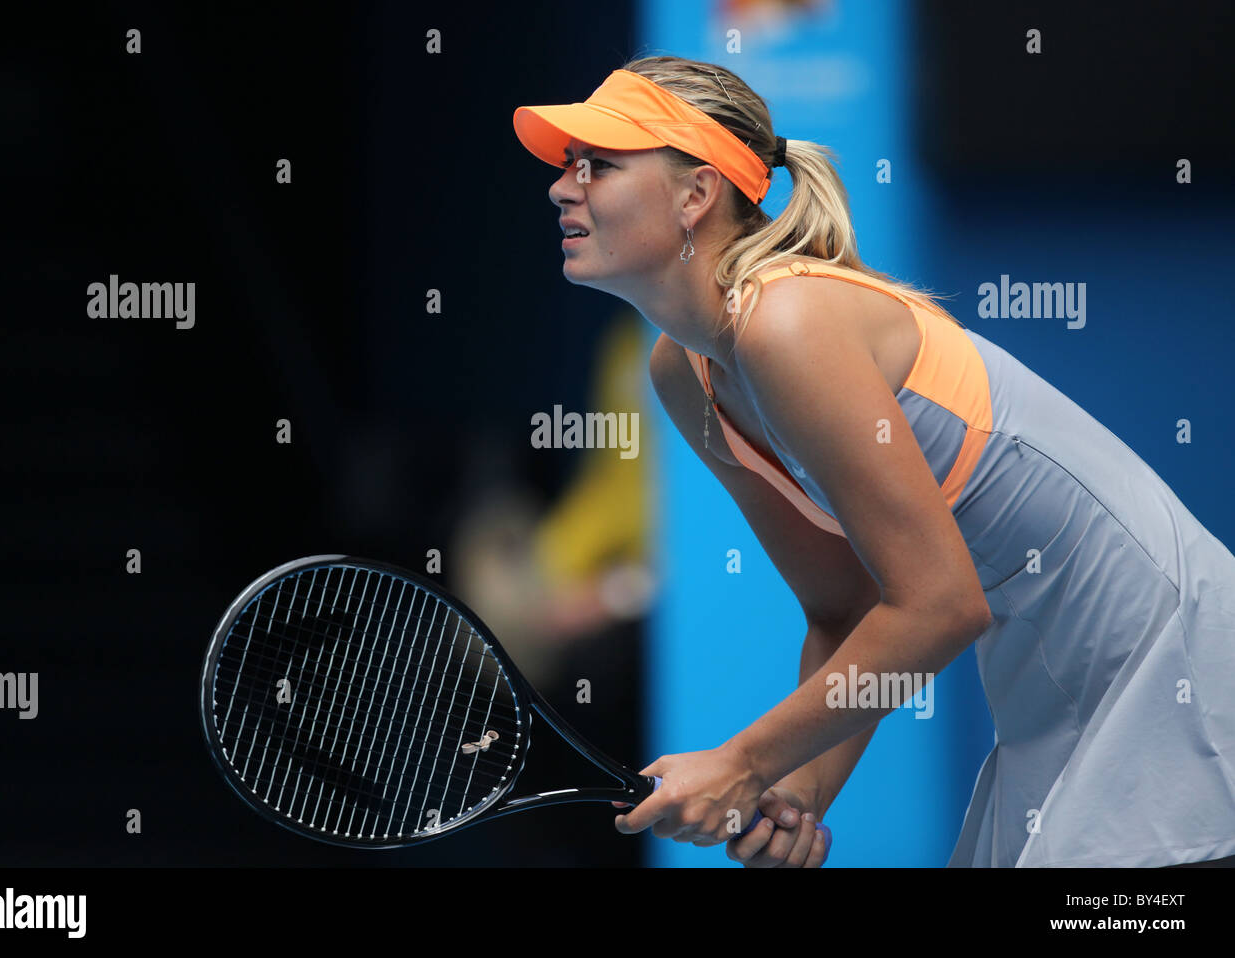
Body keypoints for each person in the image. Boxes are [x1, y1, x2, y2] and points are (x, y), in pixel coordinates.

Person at [512, 55, 1235, 867]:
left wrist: (744, 764)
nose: (561, 186)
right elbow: (845, 605)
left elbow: (939, 606)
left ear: (696, 193)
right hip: (1055, 694)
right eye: (569, 165)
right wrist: (798, 791)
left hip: (1178, 664)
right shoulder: (681, 372)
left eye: (598, 165)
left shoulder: (785, 323)